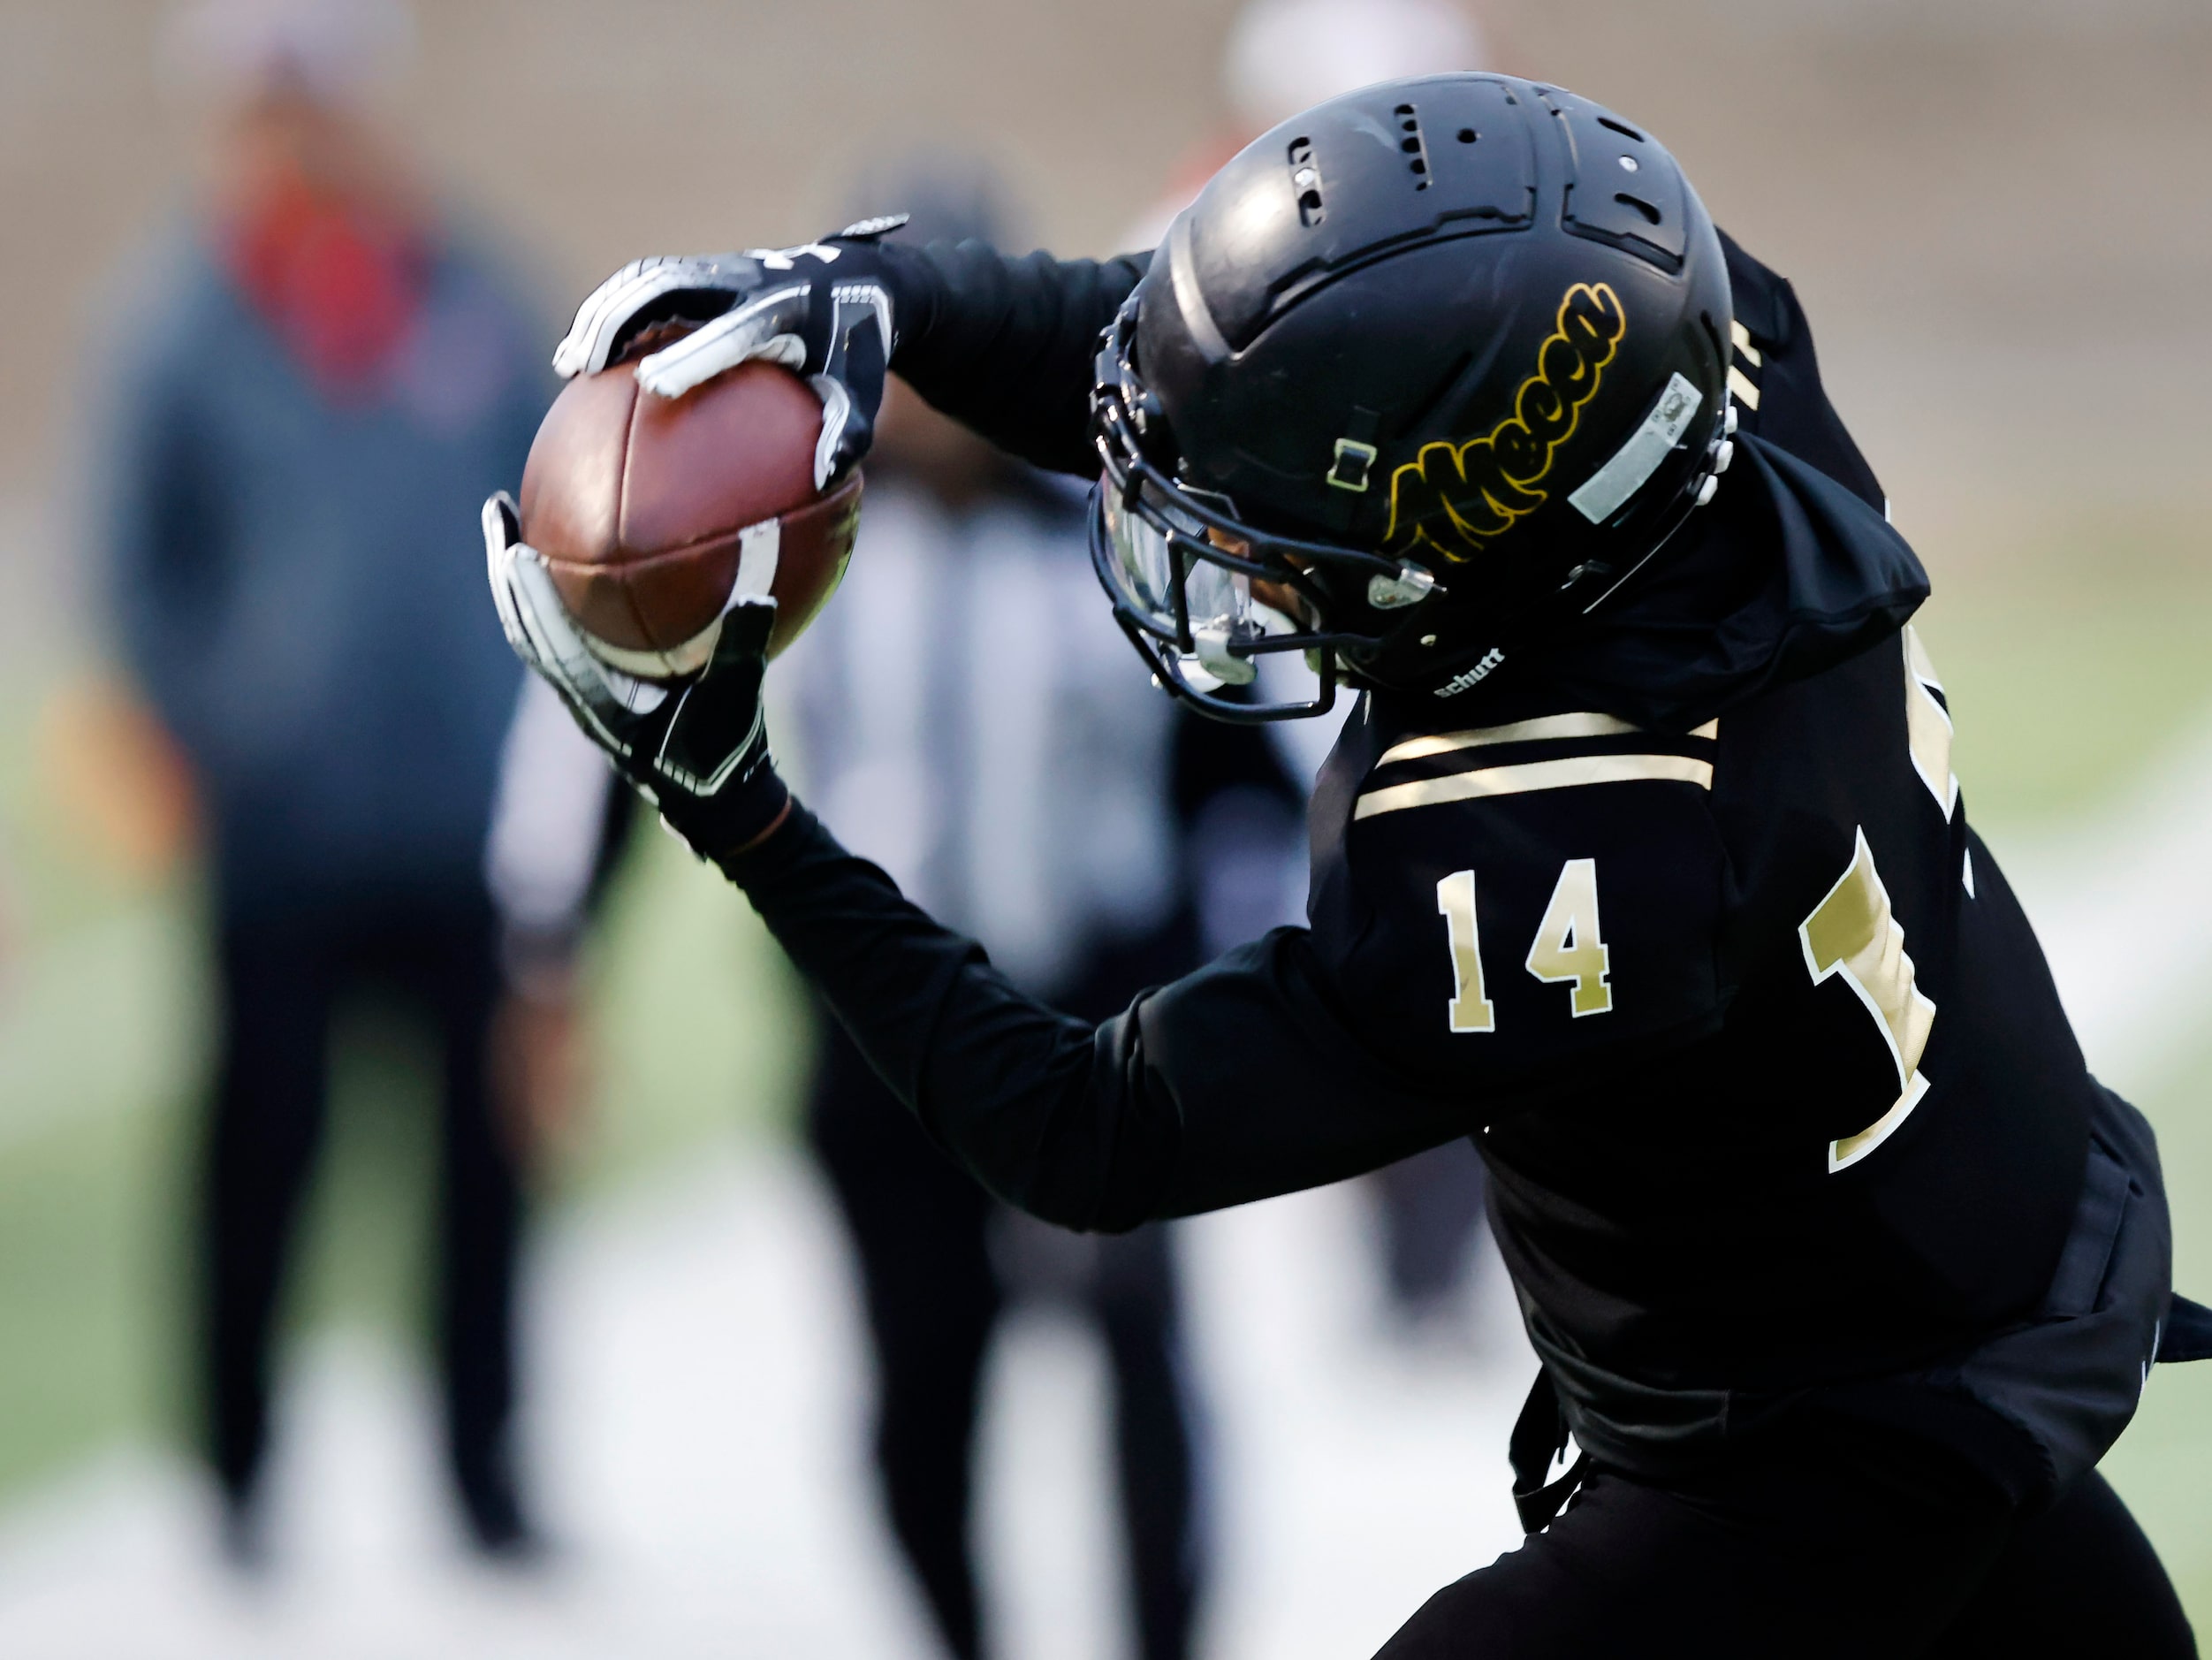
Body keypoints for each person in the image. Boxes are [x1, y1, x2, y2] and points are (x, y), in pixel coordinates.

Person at [487, 72, 2211, 1656]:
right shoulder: (1697, 368)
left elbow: (1081, 1130)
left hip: (1809, 1455)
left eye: (1313, 520)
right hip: (1976, 1263)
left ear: (1478, 542)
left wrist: (734, 803)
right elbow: (1228, 368)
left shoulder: (1571, 845)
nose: (1237, 548)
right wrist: (895, 299)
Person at [99, 0, 557, 1562]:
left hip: (458, 831)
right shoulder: (183, 321)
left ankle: (485, 1473)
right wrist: (220, 724)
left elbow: (558, 492)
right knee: (256, 1172)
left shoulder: (466, 291)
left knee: (481, 1177)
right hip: (280, 846)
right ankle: (236, 1479)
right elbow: (126, 571)